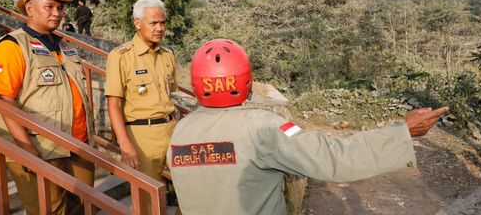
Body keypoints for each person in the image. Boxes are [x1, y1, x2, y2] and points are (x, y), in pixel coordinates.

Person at [167, 39, 449, 215]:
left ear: (196, 85)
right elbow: (332, 156)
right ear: (247, 82)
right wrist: (401, 132)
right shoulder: (264, 126)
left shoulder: (181, 131)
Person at [0, 0, 95, 215]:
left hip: (79, 146)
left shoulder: (64, 46)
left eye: (59, 8)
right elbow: (2, 99)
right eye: (49, 7)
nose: (56, 13)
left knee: (84, 208)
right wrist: (26, 148)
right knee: (49, 211)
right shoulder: (13, 46)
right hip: (41, 148)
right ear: (30, 9)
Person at [105, 0, 179, 214]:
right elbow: (114, 104)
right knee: (148, 201)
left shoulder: (167, 56)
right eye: (153, 23)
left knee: (188, 189)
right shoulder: (120, 56)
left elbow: (170, 94)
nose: (159, 28)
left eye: (162, 23)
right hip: (142, 136)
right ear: (138, 23)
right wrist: (125, 144)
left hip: (171, 130)